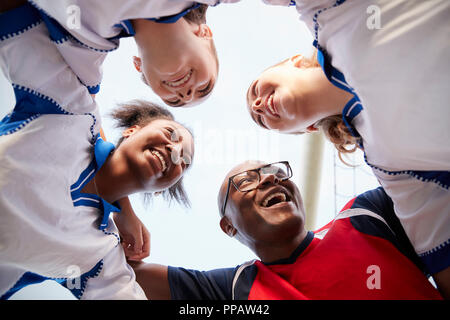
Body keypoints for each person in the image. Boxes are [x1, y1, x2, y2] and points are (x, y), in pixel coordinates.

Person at [253, 0, 450, 297]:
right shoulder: (391, 167)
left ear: (292, 61)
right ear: (304, 129)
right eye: (260, 119)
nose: (258, 104)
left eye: (255, 89)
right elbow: (440, 246)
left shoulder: (331, 14)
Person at [130, 160, 442, 300]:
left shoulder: (368, 217)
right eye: (247, 181)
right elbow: (108, 269)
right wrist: (122, 210)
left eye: (276, 172)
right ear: (228, 227)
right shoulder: (233, 290)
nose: (269, 179)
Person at [0, 98, 194, 300]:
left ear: (161, 190)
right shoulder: (73, 118)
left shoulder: (102, 254)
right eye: (170, 133)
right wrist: (124, 208)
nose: (175, 151)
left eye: (185, 161)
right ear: (131, 130)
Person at [1, 0, 238, 108]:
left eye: (173, 100)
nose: (186, 94)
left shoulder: (88, 38)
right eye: (204, 86)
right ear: (205, 33)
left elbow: (78, 106)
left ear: (139, 66)